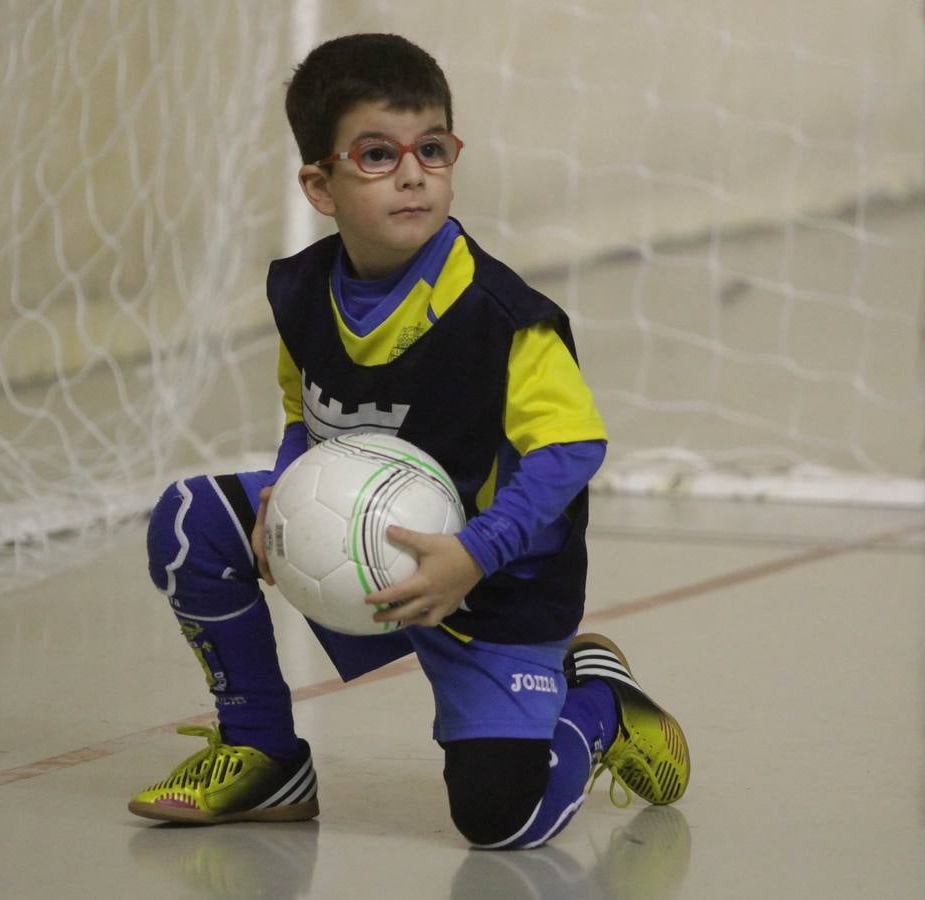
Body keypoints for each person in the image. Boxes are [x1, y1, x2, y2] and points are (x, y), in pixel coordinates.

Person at [128, 33, 689, 849]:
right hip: (358, 544)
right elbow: (303, 411)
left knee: (501, 823)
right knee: (191, 521)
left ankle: (596, 700)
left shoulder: (499, 317)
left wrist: (475, 553)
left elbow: (570, 453)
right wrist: (286, 492)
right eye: (377, 155)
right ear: (319, 184)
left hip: (493, 585)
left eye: (432, 148)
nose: (414, 172)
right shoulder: (301, 293)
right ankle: (264, 752)